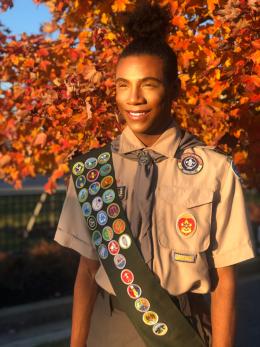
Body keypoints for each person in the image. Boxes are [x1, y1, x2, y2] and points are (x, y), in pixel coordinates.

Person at [54, 2, 255, 347]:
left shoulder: (214, 169)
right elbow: (87, 271)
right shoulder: (92, 171)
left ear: (173, 89)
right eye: (122, 85)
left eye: (148, 84)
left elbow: (225, 280)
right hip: (111, 325)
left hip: (185, 327)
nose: (134, 98)